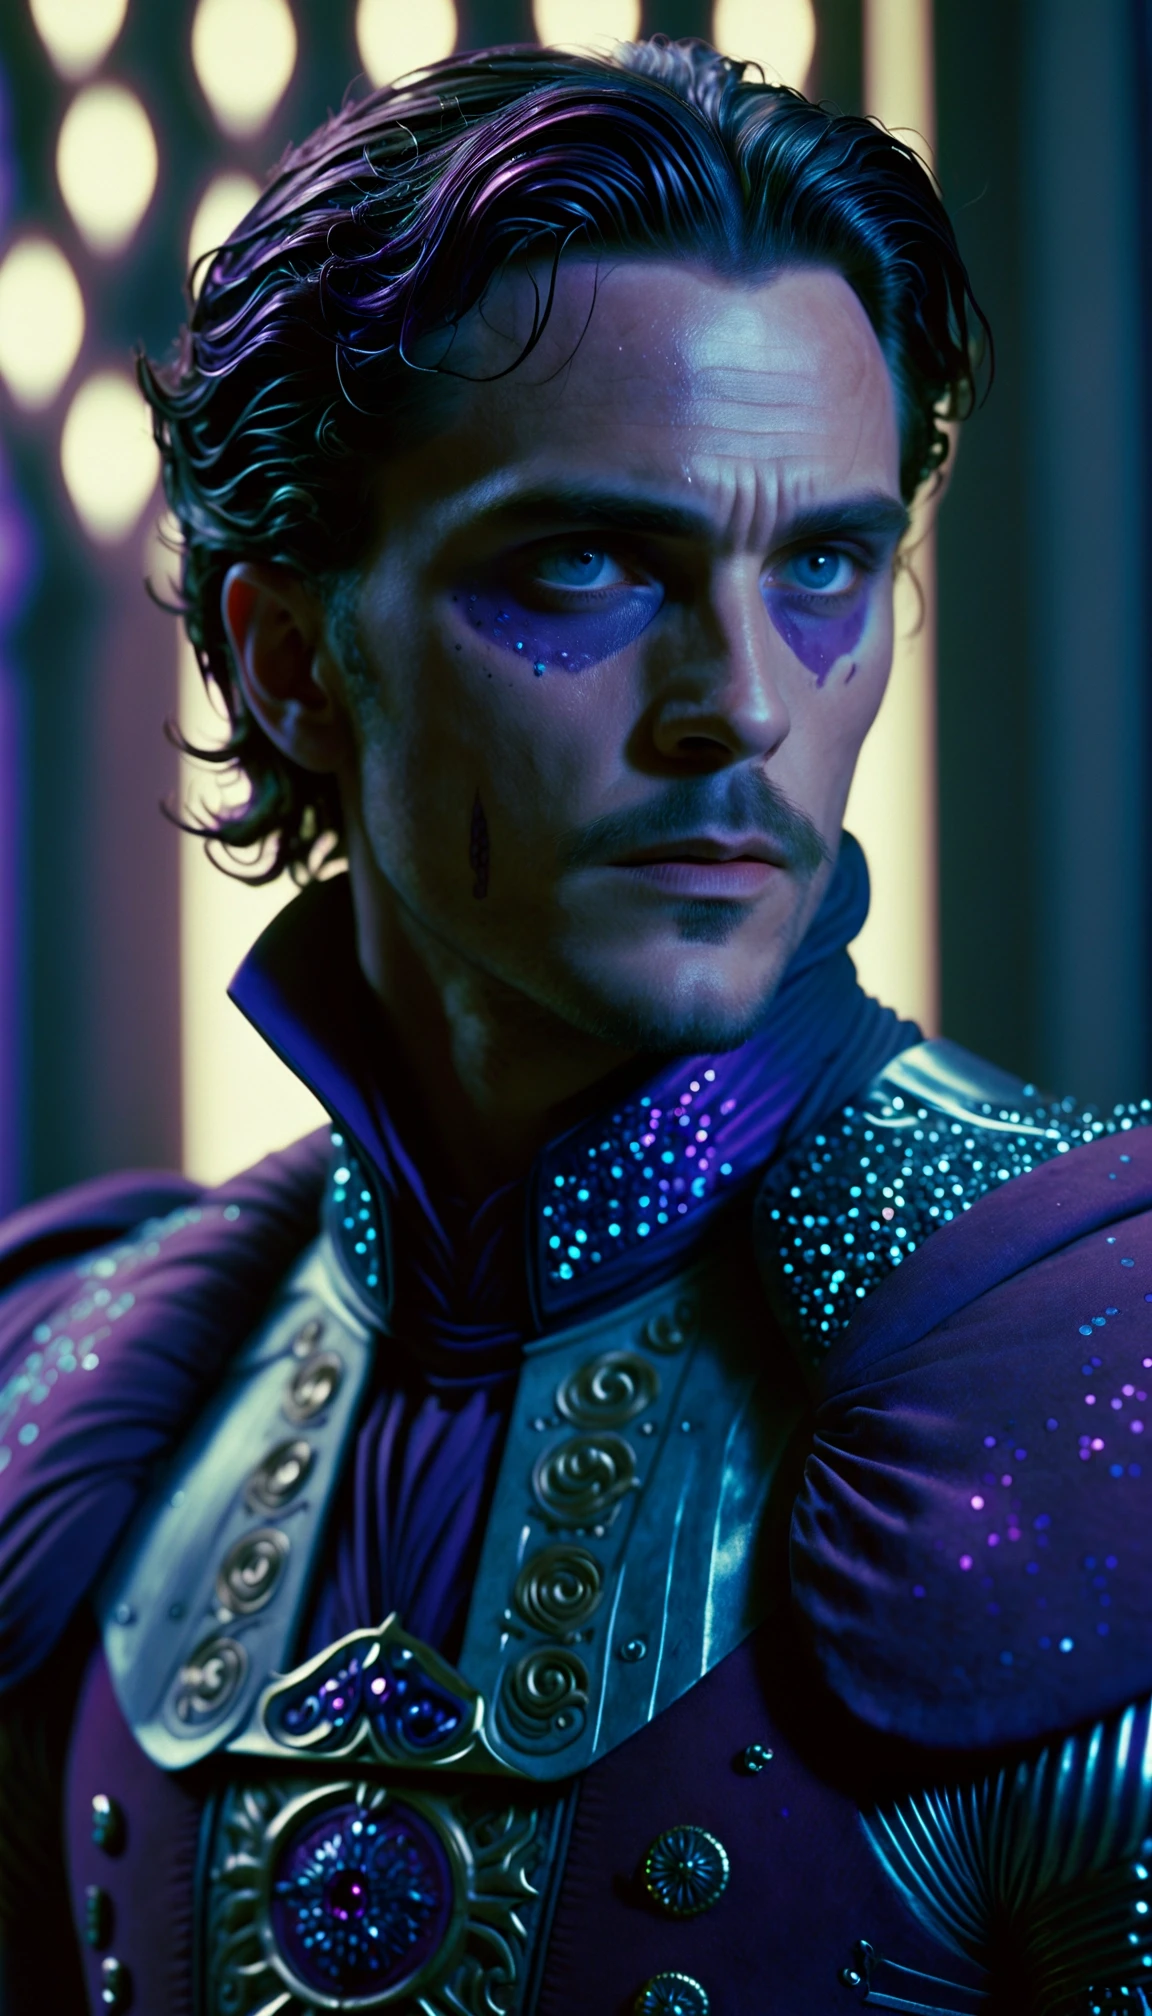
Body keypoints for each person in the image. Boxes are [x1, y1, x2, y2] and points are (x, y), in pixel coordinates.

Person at [2, 35, 1151, 2016]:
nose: (745, 704)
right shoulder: (77, 1388)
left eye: (823, 563)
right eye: (591, 564)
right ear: (290, 659)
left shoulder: (1096, 1351)